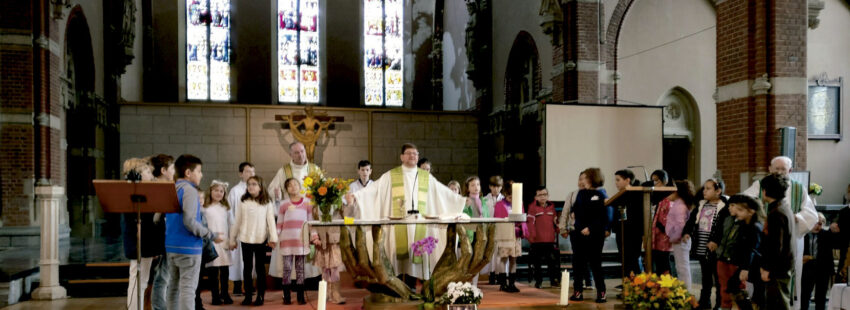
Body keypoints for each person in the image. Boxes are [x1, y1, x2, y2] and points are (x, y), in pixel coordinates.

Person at [348, 143, 467, 285]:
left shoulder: (425, 177)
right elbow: (374, 189)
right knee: (397, 261)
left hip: (419, 225)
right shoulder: (391, 175)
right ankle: (397, 290)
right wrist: (357, 196)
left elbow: (442, 192)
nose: (413, 156)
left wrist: (460, 200)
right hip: (397, 225)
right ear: (402, 157)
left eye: (415, 154)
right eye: (409, 153)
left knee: (415, 262)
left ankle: (410, 290)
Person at [743, 156, 817, 309]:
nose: (780, 172)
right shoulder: (761, 184)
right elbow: (745, 200)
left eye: (783, 169)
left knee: (779, 289)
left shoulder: (798, 188)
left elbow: (811, 214)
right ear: (770, 169)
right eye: (776, 168)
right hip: (768, 239)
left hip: (791, 239)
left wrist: (798, 218)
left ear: (790, 171)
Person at [166, 155, 223, 310]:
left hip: (171, 247)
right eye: (199, 171)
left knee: (173, 287)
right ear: (188, 173)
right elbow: (190, 222)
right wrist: (211, 235)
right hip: (188, 248)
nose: (201, 175)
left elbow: (158, 217)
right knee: (187, 290)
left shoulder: (171, 188)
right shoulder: (189, 190)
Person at [267, 142, 323, 284]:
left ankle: (309, 281)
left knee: (306, 248)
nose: (300, 155)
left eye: (302, 151)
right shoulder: (284, 171)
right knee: (289, 255)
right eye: (296, 152)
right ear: (290, 154)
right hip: (290, 220)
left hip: (308, 214)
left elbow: (324, 189)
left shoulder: (314, 169)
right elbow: (271, 190)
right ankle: (288, 284)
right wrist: (277, 194)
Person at [229, 176, 278, 306]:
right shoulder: (243, 201)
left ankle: (260, 296)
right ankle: (248, 296)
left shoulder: (267, 202)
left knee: (260, 269)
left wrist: (273, 238)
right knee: (247, 268)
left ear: (260, 187)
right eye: (249, 184)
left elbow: (271, 222)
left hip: (260, 239)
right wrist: (232, 238)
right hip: (245, 238)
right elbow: (237, 221)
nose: (251, 186)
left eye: (254, 184)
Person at [684, 178, 726, 309]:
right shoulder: (701, 205)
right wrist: (687, 232)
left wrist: (716, 241)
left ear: (718, 191)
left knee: (718, 279)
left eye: (708, 188)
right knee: (706, 277)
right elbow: (691, 221)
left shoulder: (724, 207)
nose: (704, 191)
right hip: (702, 247)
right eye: (704, 188)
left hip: (715, 248)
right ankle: (704, 302)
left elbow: (723, 227)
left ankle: (719, 303)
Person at [121, 157, 156, 310]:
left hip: (145, 241)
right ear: (137, 174)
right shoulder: (133, 192)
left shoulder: (140, 191)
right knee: (137, 281)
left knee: (142, 281)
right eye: (147, 172)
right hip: (139, 241)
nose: (151, 175)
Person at [569, 168, 608, 303]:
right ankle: (577, 292)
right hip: (579, 232)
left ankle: (601, 293)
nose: (582, 180)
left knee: (595, 263)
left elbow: (601, 216)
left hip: (594, 234)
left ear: (591, 179)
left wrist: (590, 228)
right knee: (578, 264)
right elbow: (575, 210)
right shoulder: (581, 194)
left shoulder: (600, 195)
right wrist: (577, 220)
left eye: (584, 178)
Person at [757, 173, 796, 309]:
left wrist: (767, 268)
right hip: (782, 266)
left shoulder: (777, 213)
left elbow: (775, 245)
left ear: (765, 191)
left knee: (778, 304)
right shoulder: (783, 208)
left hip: (777, 268)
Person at [720, 194, 765, 310]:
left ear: (750, 212)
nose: (737, 212)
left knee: (759, 294)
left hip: (755, 264)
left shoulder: (755, 227)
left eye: (740, 210)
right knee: (732, 285)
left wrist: (745, 268)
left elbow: (752, 249)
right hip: (749, 264)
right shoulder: (744, 224)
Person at [277, 178, 312, 305]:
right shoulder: (284, 204)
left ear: (300, 186)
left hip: (301, 241)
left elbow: (311, 222)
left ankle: (300, 296)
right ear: (286, 189)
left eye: (295, 184)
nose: (293, 187)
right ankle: (286, 296)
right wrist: (275, 237)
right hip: (287, 241)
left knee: (300, 269)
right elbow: (279, 223)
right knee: (286, 268)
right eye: (290, 186)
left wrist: (313, 236)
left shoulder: (307, 203)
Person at [310, 187, 348, 304]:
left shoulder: (338, 206)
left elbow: (347, 216)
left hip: (334, 241)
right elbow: (312, 223)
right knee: (325, 269)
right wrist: (315, 237)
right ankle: (325, 293)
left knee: (335, 268)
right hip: (321, 242)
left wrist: (349, 202)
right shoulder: (316, 207)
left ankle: (335, 294)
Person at [202, 180, 234, 305]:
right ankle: (215, 296)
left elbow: (232, 224)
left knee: (224, 270)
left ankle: (225, 294)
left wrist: (232, 240)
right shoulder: (205, 207)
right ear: (210, 191)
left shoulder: (226, 208)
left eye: (221, 191)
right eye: (216, 190)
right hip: (211, 242)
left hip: (224, 241)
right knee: (213, 271)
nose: (218, 193)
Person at [149, 154, 175, 310]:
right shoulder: (156, 188)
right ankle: (159, 308)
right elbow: (155, 218)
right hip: (159, 238)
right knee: (161, 278)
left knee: (166, 276)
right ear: (164, 170)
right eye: (172, 168)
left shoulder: (168, 186)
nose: (174, 171)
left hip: (168, 237)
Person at [226, 162, 254, 296]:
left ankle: (249, 285)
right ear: (241, 174)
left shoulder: (256, 190)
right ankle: (237, 285)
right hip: (238, 230)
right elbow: (229, 211)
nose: (251, 174)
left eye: (252, 171)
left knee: (250, 259)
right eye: (248, 171)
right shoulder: (235, 191)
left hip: (253, 231)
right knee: (238, 259)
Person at [610, 169, 644, 277]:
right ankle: (627, 284)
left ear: (628, 180)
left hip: (633, 232)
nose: (616, 183)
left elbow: (640, 215)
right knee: (624, 259)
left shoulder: (637, 194)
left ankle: (638, 285)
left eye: (618, 180)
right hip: (621, 231)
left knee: (633, 259)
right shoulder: (620, 195)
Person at [527, 186, 560, 289]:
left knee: (551, 262)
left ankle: (553, 280)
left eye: (544, 194)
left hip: (550, 240)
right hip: (537, 240)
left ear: (548, 196)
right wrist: (531, 237)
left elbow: (555, 222)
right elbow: (530, 223)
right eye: (540, 195)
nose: (542, 197)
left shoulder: (552, 207)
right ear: (535, 197)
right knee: (537, 263)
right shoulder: (532, 207)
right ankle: (538, 281)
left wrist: (559, 230)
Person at [801, 213, 836, 310]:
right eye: (816, 223)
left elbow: (830, 255)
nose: (818, 226)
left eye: (820, 224)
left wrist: (831, 272)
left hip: (822, 269)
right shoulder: (803, 235)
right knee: (805, 295)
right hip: (807, 267)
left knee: (821, 297)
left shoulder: (826, 235)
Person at [493, 182, 521, 293]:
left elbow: (522, 216)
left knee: (514, 259)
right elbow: (497, 219)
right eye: (509, 196)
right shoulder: (500, 204)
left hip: (515, 235)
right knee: (503, 258)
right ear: (505, 194)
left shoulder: (519, 203)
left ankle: (512, 284)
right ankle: (503, 283)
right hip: (504, 235)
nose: (511, 198)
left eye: (513, 196)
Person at [462, 176, 485, 285]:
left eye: (478, 184)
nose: (476, 187)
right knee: (468, 259)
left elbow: (486, 216)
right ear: (467, 188)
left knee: (478, 258)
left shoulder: (483, 201)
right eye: (472, 185)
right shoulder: (465, 200)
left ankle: (475, 284)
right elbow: (462, 215)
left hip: (481, 232)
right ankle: (465, 283)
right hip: (470, 233)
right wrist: (466, 207)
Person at [482, 175, 504, 285]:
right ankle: (491, 273)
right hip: (489, 228)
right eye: (493, 186)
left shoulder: (505, 200)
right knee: (490, 252)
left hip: (501, 229)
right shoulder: (485, 200)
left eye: (498, 186)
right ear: (490, 187)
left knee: (500, 252)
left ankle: (501, 274)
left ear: (501, 187)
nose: (496, 189)